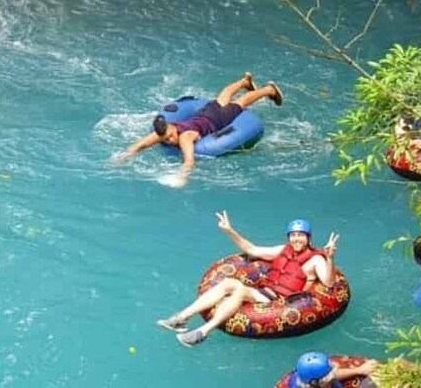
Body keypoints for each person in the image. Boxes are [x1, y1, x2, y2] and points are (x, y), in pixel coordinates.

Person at [156, 211, 339, 347]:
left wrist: (330, 257)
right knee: (229, 283)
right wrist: (229, 230)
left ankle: (203, 332)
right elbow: (252, 250)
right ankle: (182, 318)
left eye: (301, 235)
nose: (296, 239)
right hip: (265, 291)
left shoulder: (316, 259)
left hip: (283, 301)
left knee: (239, 290)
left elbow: (329, 283)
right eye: (293, 235)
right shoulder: (282, 250)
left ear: (308, 238)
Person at [113, 72, 285, 188]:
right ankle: (244, 81)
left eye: (170, 137)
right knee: (222, 97)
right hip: (205, 114)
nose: (169, 141)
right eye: (165, 139)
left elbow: (189, 161)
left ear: (173, 127)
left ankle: (269, 89)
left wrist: (182, 177)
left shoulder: (185, 137)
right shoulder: (164, 133)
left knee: (241, 103)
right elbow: (140, 145)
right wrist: (123, 158)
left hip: (216, 118)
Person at [288, 352, 380, 388]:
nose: (332, 378)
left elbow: (334, 375)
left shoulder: (308, 378)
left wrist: (359, 370)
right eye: (329, 379)